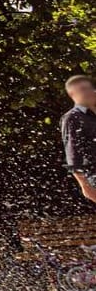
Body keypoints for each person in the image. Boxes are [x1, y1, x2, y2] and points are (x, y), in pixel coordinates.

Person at [61, 75, 96, 203]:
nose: (89, 92)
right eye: (82, 89)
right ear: (72, 94)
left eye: (89, 88)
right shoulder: (72, 118)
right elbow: (73, 153)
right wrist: (84, 185)